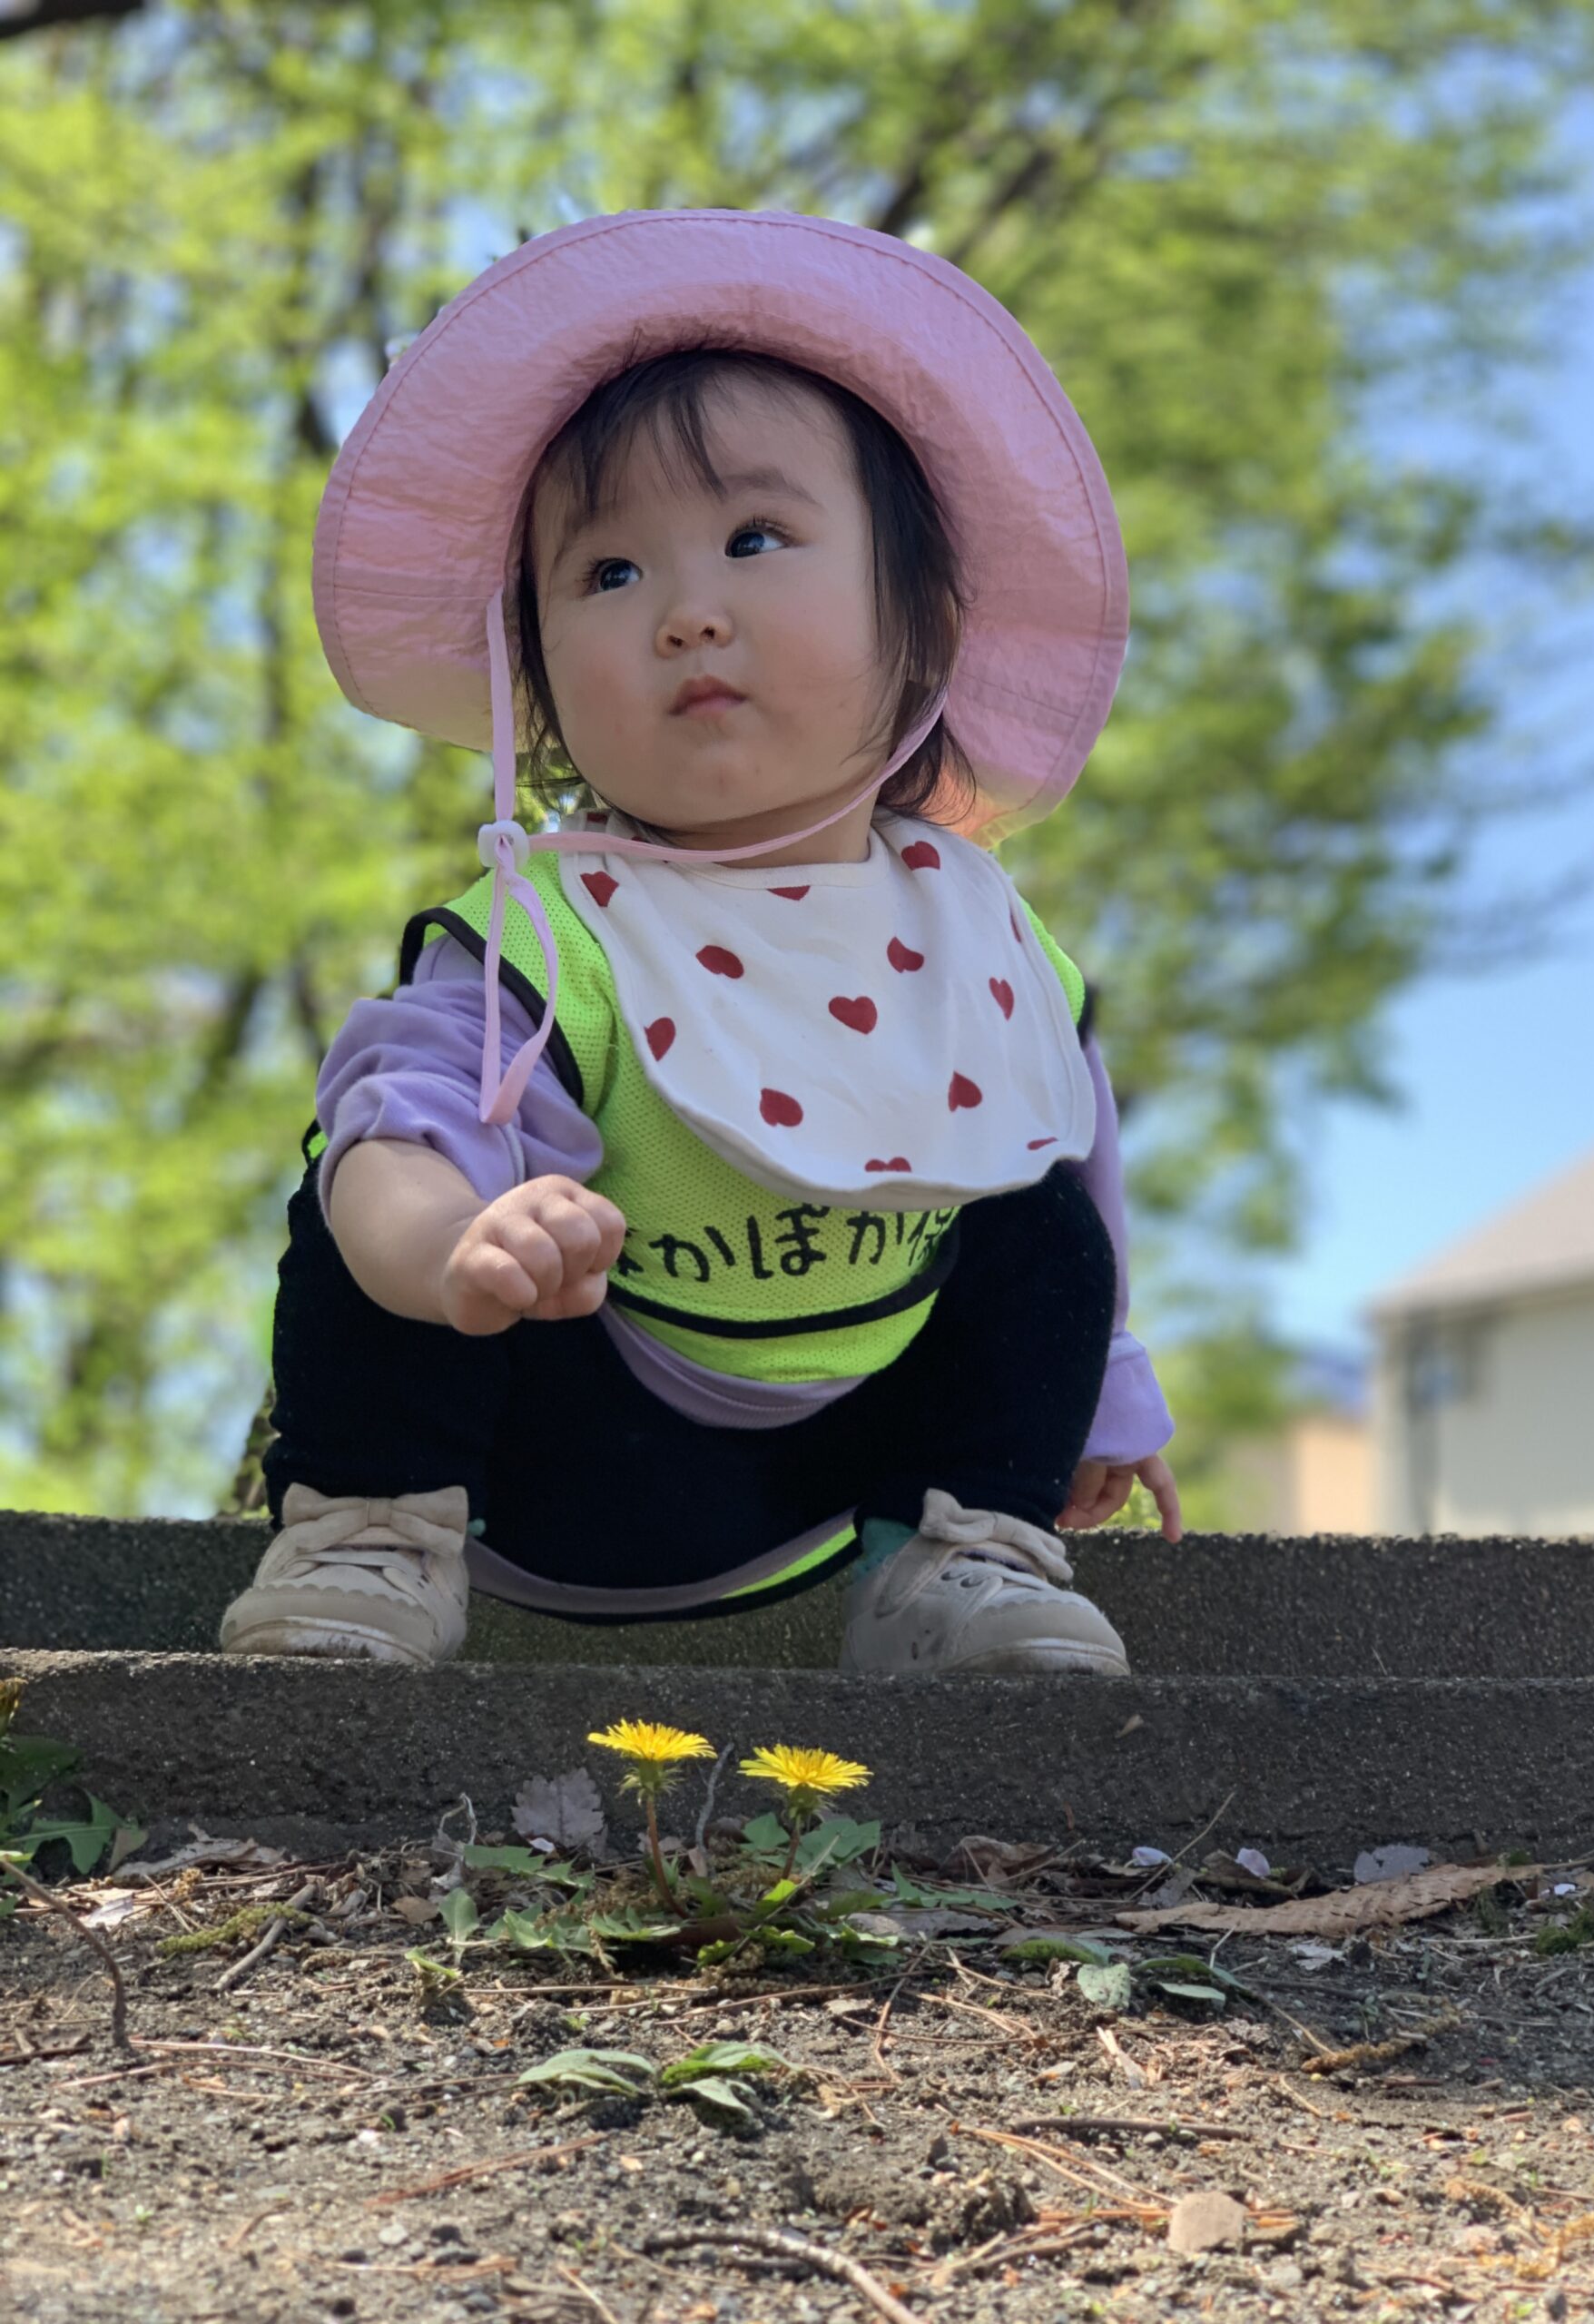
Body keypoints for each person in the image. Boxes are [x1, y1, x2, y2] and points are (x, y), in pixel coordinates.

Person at [219, 208, 1182, 1678]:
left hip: (839, 1467)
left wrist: (1108, 1395)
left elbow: (1075, 1159)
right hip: (565, 1440)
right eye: (608, 576)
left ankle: (964, 1555)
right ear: (533, 682)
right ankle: (366, 1529)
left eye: (754, 538)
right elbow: (409, 1131)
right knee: (350, 1166)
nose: (687, 615)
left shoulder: (981, 930)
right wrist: (456, 1248)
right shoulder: (550, 937)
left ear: (922, 622)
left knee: (1035, 1219)